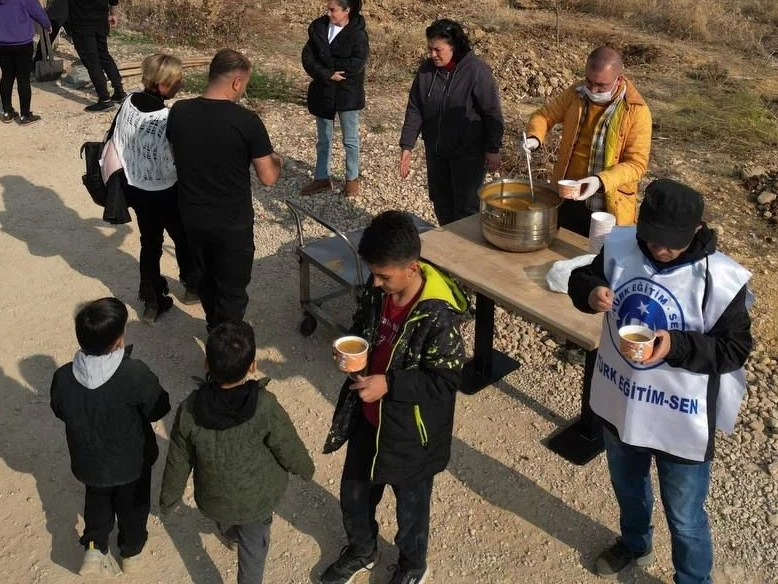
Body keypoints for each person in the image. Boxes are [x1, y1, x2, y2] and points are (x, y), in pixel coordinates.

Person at [567, 180, 753, 583]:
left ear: (697, 230)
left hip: (680, 418)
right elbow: (580, 279)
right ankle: (635, 543)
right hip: (624, 402)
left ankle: (693, 578)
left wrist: (675, 345)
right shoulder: (620, 245)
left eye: (671, 243)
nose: (659, 249)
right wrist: (592, 291)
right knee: (628, 487)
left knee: (685, 517)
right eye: (652, 238)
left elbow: (735, 350)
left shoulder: (721, 279)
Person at [319, 211, 467, 584]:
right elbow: (363, 324)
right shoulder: (376, 289)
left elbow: (445, 380)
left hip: (411, 437)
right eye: (374, 273)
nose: (377, 281)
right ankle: (363, 550)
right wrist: (351, 350)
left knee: (411, 512)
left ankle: (413, 565)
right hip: (368, 420)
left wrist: (390, 384)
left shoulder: (438, 317)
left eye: (385, 276)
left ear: (412, 267)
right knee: (354, 494)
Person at [159, 321, 314, 584]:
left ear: (207, 364)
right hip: (257, 500)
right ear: (252, 365)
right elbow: (286, 443)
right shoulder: (265, 405)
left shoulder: (189, 410)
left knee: (226, 518)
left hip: (215, 498)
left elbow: (178, 459)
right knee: (253, 551)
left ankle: (230, 533)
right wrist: (305, 469)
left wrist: (168, 499)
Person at [49, 298, 170, 577]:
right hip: (133, 464)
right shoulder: (134, 373)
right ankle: (130, 553)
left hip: (89, 462)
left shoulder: (64, 377)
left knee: (97, 500)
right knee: (133, 509)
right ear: (118, 340)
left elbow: (60, 410)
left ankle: (94, 547)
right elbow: (158, 408)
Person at [166, 50, 282, 328]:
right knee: (231, 291)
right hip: (232, 223)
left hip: (192, 217)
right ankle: (224, 357)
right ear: (236, 82)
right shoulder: (247, 122)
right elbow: (268, 177)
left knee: (205, 281)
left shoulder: (179, 111)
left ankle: (213, 327)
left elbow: (174, 155)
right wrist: (277, 160)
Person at [524, 45, 652, 236]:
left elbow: (637, 165)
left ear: (618, 78)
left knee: (596, 256)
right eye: (589, 81)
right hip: (568, 196)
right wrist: (535, 137)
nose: (593, 89)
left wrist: (600, 180)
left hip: (606, 206)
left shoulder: (636, 111)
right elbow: (544, 115)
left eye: (601, 85)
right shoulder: (576, 93)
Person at [398, 19, 504, 225]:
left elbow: (492, 113)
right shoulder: (426, 71)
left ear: (454, 47)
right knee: (440, 201)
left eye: (438, 49)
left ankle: (465, 253)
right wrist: (407, 145)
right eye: (430, 49)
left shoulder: (477, 72)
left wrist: (493, 148)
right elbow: (415, 108)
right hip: (436, 150)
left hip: (468, 153)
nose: (432, 55)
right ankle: (447, 245)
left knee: (465, 207)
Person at [112, 53, 190, 323]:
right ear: (164, 84)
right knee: (183, 237)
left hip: (135, 187)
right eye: (177, 79)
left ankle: (152, 300)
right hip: (165, 190)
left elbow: (118, 141)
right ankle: (191, 284)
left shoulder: (129, 101)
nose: (181, 83)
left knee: (150, 242)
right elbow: (172, 161)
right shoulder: (166, 117)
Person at [34, 0, 125, 112]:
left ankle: (104, 99)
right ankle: (119, 92)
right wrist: (113, 14)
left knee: (91, 61)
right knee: (104, 55)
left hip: (82, 24)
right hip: (101, 20)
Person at [300, 0, 369, 198]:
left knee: (350, 139)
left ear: (346, 11)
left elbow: (358, 61)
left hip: (347, 92)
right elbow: (308, 57)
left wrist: (334, 71)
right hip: (323, 90)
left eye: (333, 10)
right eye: (328, 9)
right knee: (324, 138)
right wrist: (327, 74)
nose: (329, 13)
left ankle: (352, 179)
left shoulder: (357, 33)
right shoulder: (319, 28)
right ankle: (322, 178)